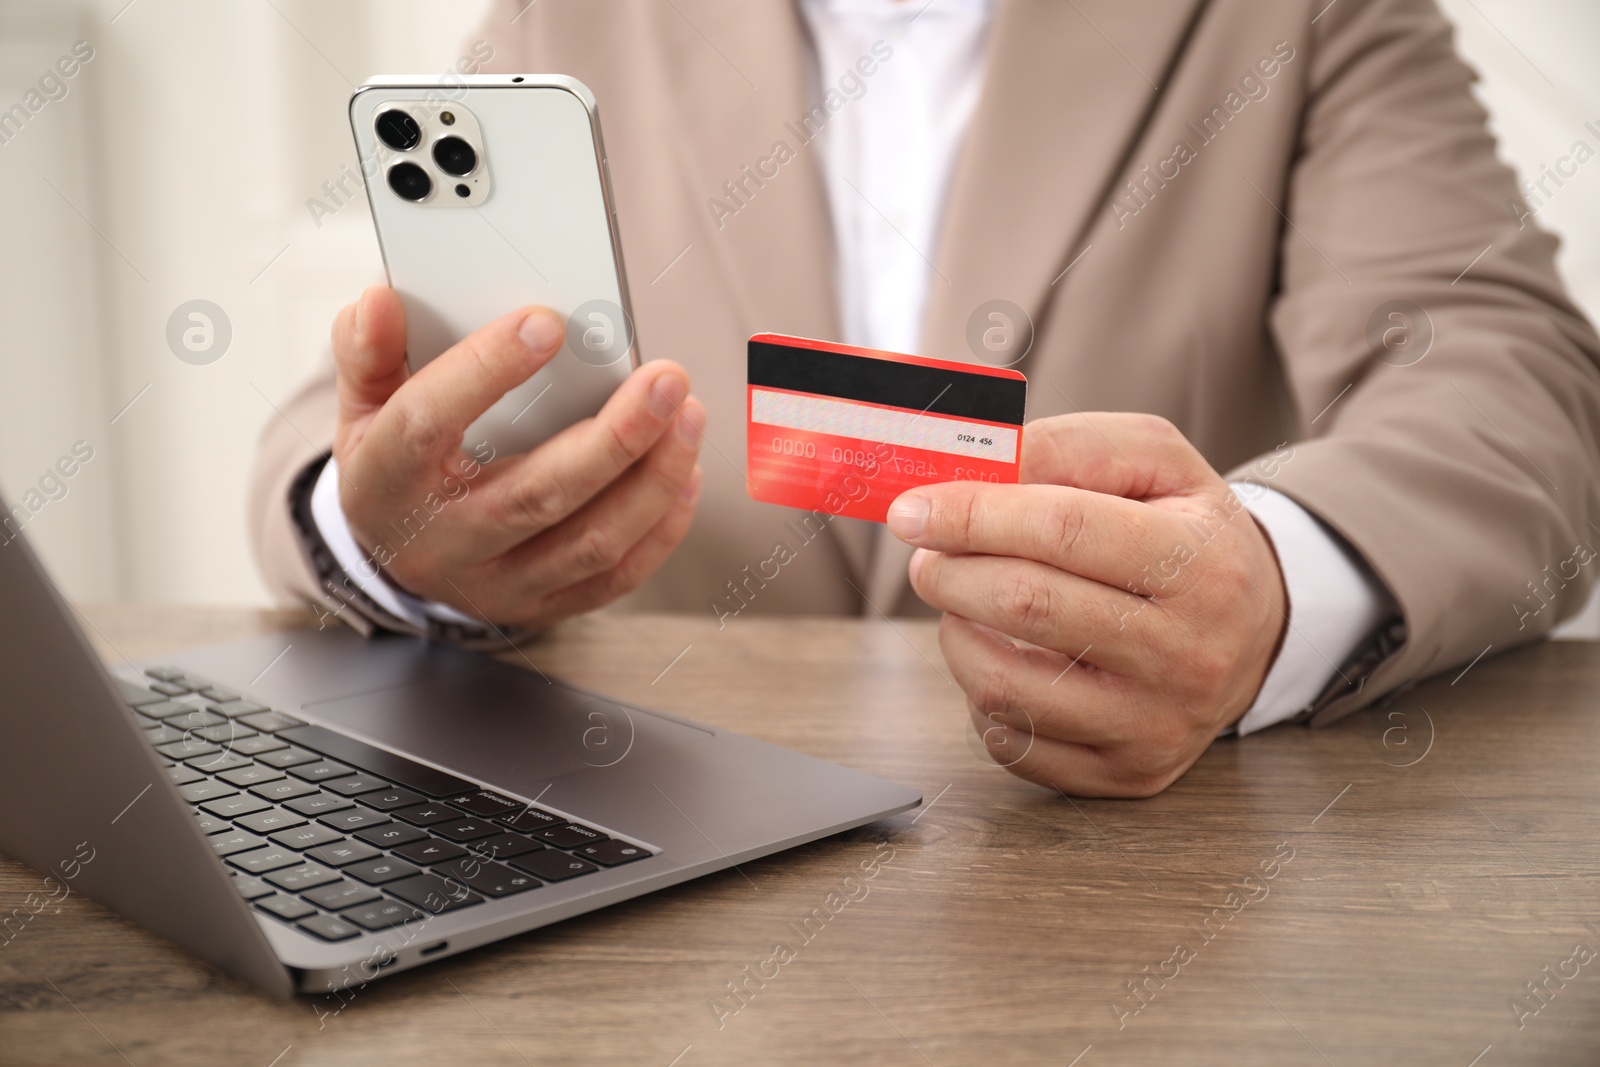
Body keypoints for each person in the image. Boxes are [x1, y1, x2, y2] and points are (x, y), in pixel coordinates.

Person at [249, 0, 1600, 797]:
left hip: (1138, 885)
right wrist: (394, 543)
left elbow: (1510, 379)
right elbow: (357, 420)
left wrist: (1273, 589)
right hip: (646, 846)